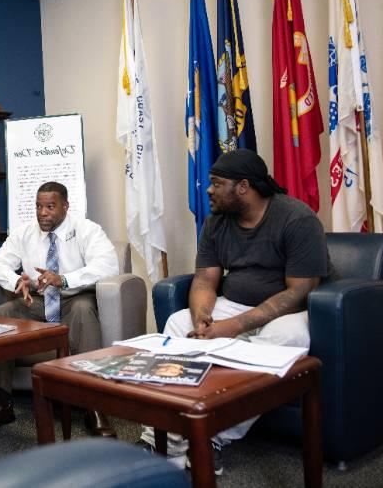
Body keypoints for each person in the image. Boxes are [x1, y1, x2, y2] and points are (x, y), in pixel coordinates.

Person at [138, 148, 330, 476]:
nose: (208, 189)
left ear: (243, 187)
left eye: (216, 183)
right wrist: (202, 317)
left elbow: (299, 291)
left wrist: (233, 327)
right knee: (177, 322)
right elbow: (204, 279)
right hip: (231, 304)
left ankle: (214, 437)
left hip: (286, 311)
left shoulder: (297, 219)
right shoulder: (216, 222)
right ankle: (163, 436)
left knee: (289, 335)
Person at [0, 181, 120, 437]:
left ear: (65, 206)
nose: (42, 213)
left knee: (84, 308)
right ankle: (1, 402)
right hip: (36, 302)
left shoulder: (87, 230)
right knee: (4, 312)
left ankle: (93, 406)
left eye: (50, 206)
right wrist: (16, 280)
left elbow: (108, 266)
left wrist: (64, 279)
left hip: (74, 298)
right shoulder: (25, 232)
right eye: (38, 206)